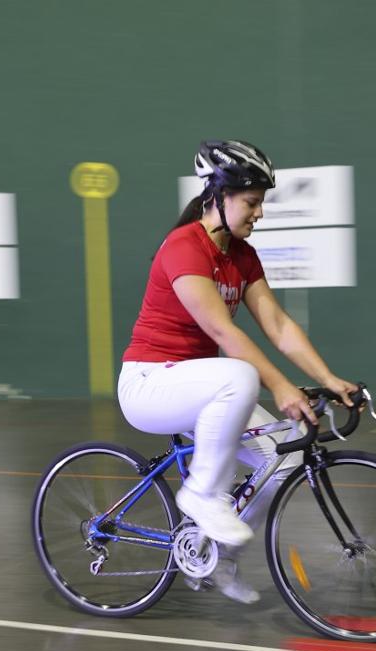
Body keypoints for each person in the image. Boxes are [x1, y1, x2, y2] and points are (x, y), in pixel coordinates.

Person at [117, 139, 356, 604]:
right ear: (218, 196)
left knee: (281, 461)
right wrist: (283, 387)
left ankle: (217, 558)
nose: (259, 213)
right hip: (150, 384)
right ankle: (201, 496)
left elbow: (279, 326)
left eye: (261, 202)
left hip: (201, 386)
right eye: (251, 202)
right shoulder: (183, 248)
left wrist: (329, 379)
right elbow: (224, 333)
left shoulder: (242, 256)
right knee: (239, 375)